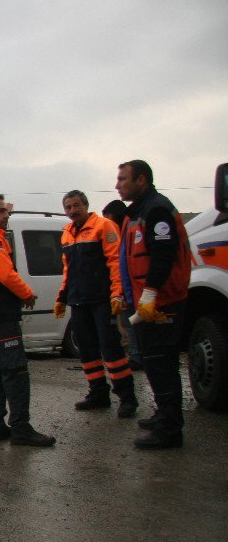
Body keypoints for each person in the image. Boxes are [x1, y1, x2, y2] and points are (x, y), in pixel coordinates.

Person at [0, 195, 56, 447]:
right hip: (0, 319)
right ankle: (21, 428)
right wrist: (26, 294)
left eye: (6, 211)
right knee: (15, 373)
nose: (6, 215)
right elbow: (5, 274)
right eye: (1, 211)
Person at [115, 160, 191, 449]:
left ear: (141, 180)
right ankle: (163, 415)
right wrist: (126, 295)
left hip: (163, 303)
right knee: (153, 362)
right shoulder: (138, 212)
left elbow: (163, 255)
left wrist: (149, 294)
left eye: (123, 179)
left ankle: (169, 430)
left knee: (162, 365)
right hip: (145, 303)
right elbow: (130, 261)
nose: (117, 184)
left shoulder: (156, 210)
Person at [54, 191, 138, 417]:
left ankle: (127, 397)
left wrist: (117, 294)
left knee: (111, 349)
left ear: (86, 205)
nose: (72, 211)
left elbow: (115, 262)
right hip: (78, 301)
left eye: (76, 206)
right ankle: (98, 393)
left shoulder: (104, 226)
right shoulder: (67, 234)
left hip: (102, 300)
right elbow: (67, 270)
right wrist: (62, 297)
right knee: (87, 350)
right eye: (68, 207)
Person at [101, 199, 142, 370]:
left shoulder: (126, 232)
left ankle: (137, 356)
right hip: (129, 289)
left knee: (131, 324)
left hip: (132, 290)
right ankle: (139, 355)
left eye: (108, 218)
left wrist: (122, 292)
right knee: (130, 323)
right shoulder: (124, 232)